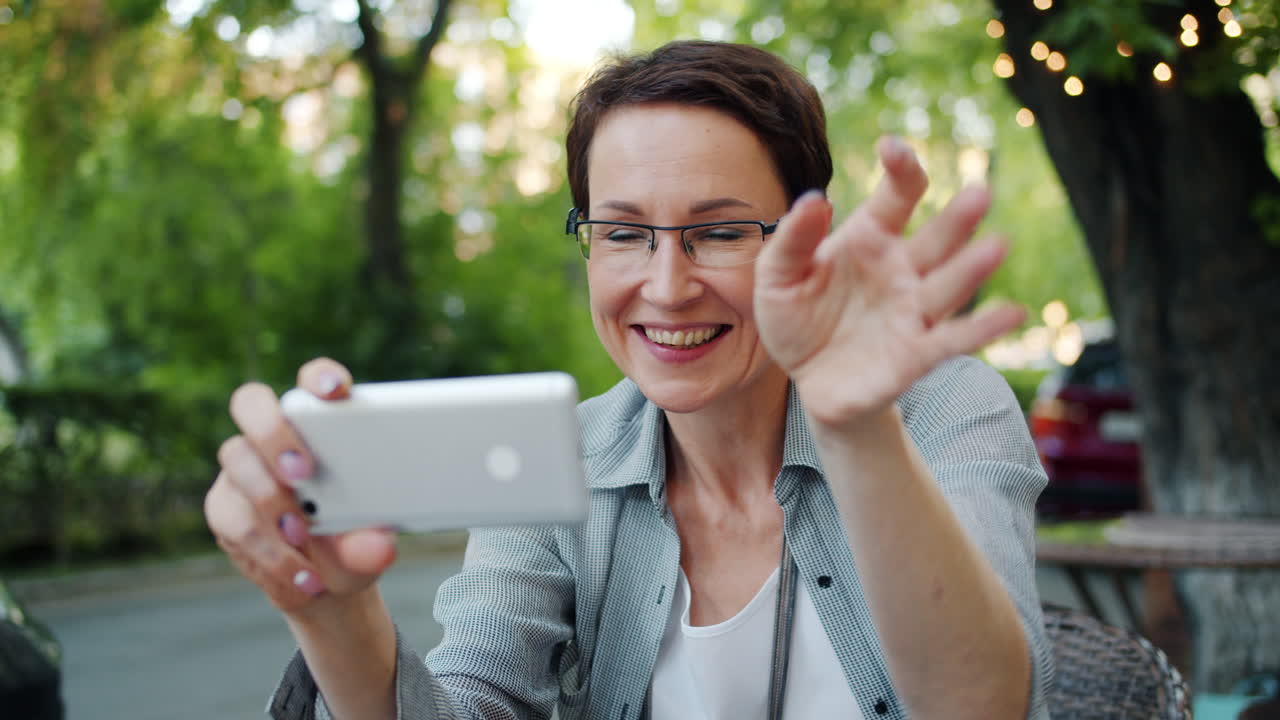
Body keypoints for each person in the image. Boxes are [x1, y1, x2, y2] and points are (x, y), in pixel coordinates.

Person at [205, 40, 1053, 720]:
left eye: (719, 234)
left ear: (811, 236)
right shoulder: (560, 462)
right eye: (622, 233)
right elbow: (478, 702)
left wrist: (857, 429)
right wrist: (333, 611)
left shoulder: (946, 409)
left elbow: (987, 706)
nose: (667, 284)